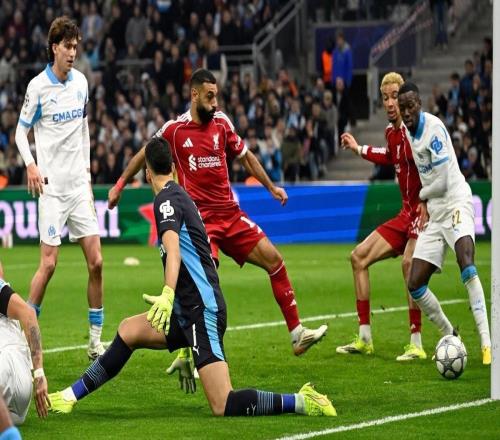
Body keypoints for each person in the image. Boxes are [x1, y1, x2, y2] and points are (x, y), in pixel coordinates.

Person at [47, 137, 336, 418]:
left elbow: (174, 252)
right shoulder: (179, 195)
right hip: (187, 309)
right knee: (128, 331)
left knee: (223, 403)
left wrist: (167, 294)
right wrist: (185, 343)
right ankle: (69, 397)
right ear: (173, 167)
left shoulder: (166, 201)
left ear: (147, 173)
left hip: (202, 311)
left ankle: (301, 401)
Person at [108, 69, 327, 356]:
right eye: (210, 97)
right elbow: (145, 153)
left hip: (231, 216)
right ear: (194, 94)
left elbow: (246, 158)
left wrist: (271, 187)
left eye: (216, 96)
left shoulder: (222, 123)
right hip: (200, 223)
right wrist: (120, 185)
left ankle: (297, 334)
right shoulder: (175, 130)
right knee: (203, 291)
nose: (215, 103)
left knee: (275, 261)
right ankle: (194, 353)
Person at [14, 16, 105, 360]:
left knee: (97, 262)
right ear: (54, 48)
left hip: (79, 187)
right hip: (52, 190)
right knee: (49, 265)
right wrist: (31, 164)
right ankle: (22, 333)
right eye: (67, 47)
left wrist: (88, 173)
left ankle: (95, 342)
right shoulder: (38, 87)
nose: (72, 52)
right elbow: (20, 132)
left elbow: (84, 130)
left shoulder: (81, 83)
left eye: (76, 47)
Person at [398, 82, 491, 365]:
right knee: (415, 284)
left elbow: (442, 182)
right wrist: (426, 202)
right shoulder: (407, 131)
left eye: (410, 106)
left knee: (467, 263)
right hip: (436, 214)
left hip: (455, 203)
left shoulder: (434, 129)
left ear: (419, 104)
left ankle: (487, 344)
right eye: (402, 108)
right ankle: (451, 335)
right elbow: (425, 175)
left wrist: (421, 196)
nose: (406, 112)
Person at [336, 72, 426, 361]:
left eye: (394, 97)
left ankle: (416, 342)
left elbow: (436, 168)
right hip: (405, 214)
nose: (389, 103)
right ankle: (365, 338)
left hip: (425, 212)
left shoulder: (419, 132)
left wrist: (429, 202)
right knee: (358, 258)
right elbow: (389, 155)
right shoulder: (392, 133)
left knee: (408, 264)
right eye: (385, 97)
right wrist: (358, 148)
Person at [0, 277, 49, 425]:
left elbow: (29, 313)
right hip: (22, 389)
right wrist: (39, 374)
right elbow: (29, 314)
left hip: (6, 364)